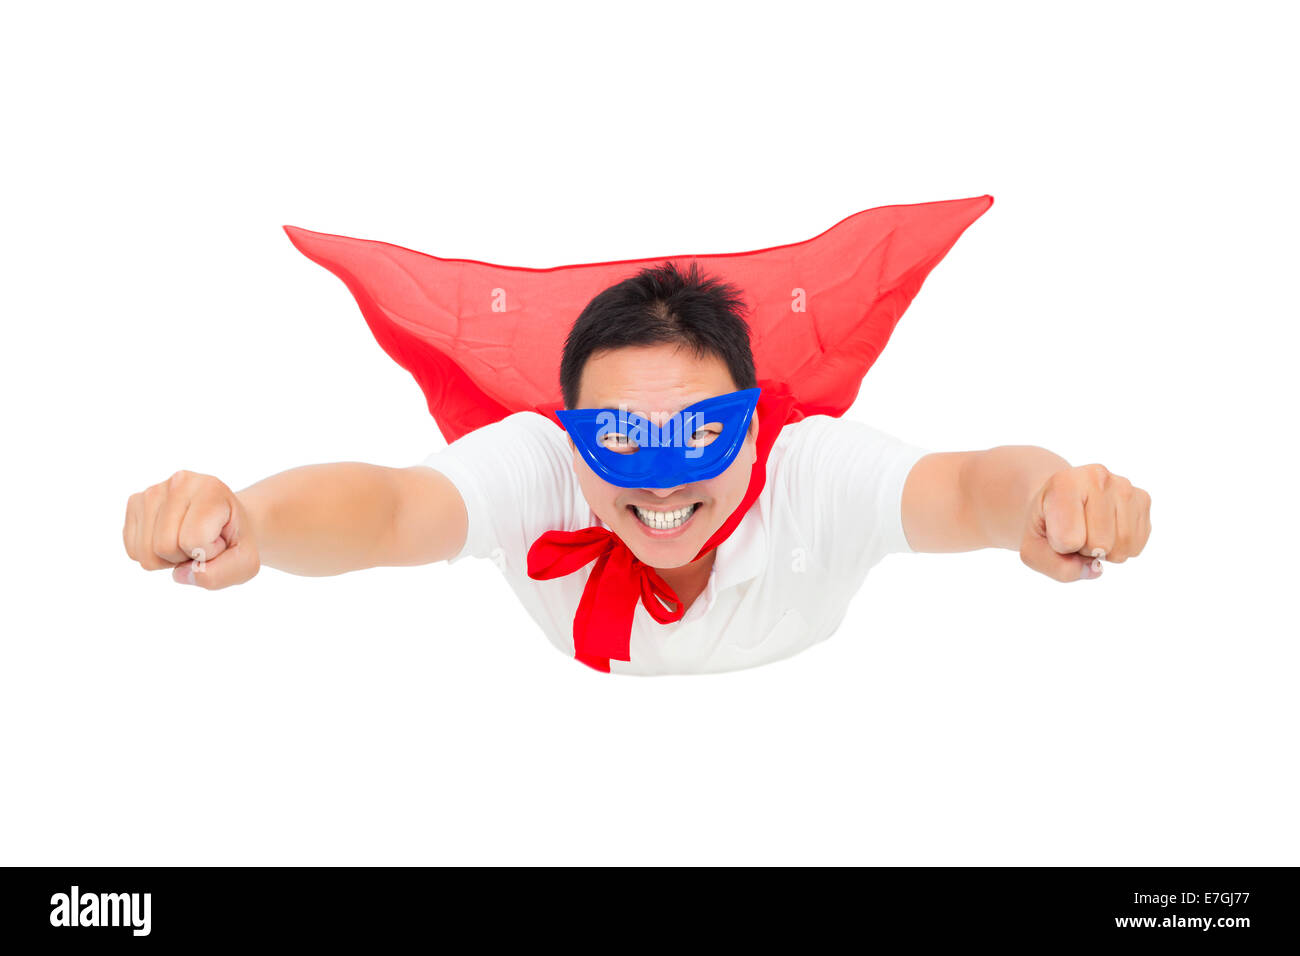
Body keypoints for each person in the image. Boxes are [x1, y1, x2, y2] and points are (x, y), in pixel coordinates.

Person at [122, 261, 1152, 675]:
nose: (660, 483)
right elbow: (392, 508)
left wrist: (1049, 495)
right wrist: (247, 516)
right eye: (618, 437)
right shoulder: (539, 465)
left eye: (696, 434)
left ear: (754, 431)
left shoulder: (810, 469)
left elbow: (968, 488)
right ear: (570, 433)